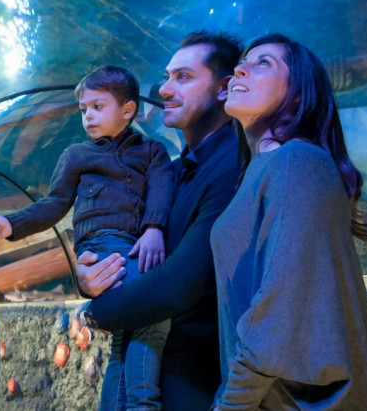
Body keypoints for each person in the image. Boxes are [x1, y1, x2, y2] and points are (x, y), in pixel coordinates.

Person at [210, 34, 367, 409]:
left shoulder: (297, 160)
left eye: (263, 63)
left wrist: (230, 404)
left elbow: (278, 307)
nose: (239, 68)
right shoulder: (261, 172)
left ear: (297, 92)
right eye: (243, 61)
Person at [74, 31, 243, 410]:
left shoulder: (234, 166)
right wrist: (87, 277)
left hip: (196, 383)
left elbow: (178, 285)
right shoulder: (171, 170)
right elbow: (117, 236)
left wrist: (94, 313)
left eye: (183, 78)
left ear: (224, 88)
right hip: (146, 373)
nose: (165, 89)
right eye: (166, 77)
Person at [0, 65, 174, 411]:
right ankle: (143, 404)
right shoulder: (77, 155)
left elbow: (162, 190)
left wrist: (154, 228)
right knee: (154, 310)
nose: (88, 116)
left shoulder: (152, 152)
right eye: (83, 110)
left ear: (128, 110)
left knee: (126, 338)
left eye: (97, 106)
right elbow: (54, 204)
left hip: (136, 244)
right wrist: (11, 223)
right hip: (103, 244)